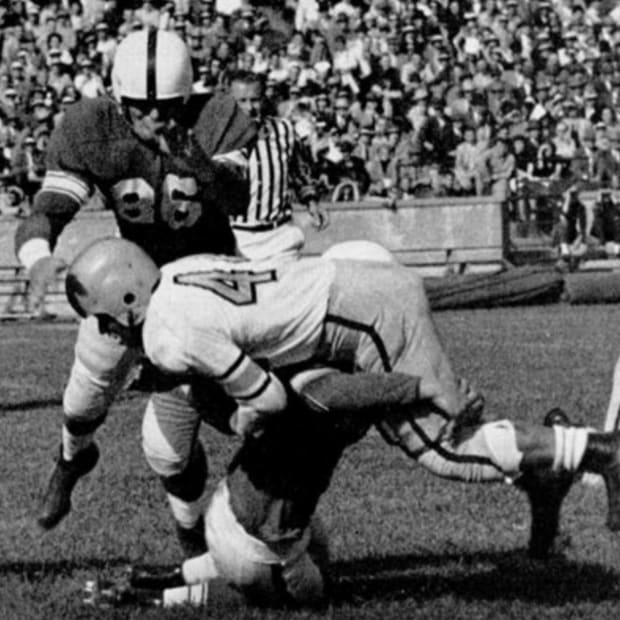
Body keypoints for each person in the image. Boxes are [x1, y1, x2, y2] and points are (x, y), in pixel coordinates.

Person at [65, 237, 620, 560]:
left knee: (439, 448)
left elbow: (267, 401)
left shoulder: (167, 333)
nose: (106, 332)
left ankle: (596, 451)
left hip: (361, 314)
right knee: (426, 427)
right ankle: (561, 458)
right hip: (351, 299)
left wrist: (238, 423)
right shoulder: (179, 275)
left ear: (129, 297)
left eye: (106, 319)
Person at [12, 28, 256, 556]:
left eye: (167, 106)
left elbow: (240, 196)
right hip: (133, 283)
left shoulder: (217, 118)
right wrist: (37, 258)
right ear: (120, 100)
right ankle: (72, 459)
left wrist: (198, 165)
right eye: (141, 108)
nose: (156, 119)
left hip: (206, 288)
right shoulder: (90, 127)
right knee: (83, 396)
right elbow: (47, 210)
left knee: (166, 450)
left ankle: (195, 544)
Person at [129, 369, 445, 608]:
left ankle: (169, 575)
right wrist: (433, 387)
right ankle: (156, 599)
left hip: (236, 501)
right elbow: (339, 393)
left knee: (303, 550)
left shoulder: (300, 371)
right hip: (262, 524)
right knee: (299, 596)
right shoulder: (325, 390)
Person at [227, 70, 329, 260]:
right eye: (242, 101)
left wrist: (312, 202)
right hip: (236, 236)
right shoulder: (217, 138)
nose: (250, 108)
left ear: (264, 99)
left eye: (255, 99)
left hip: (278, 235)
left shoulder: (284, 130)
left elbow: (299, 172)